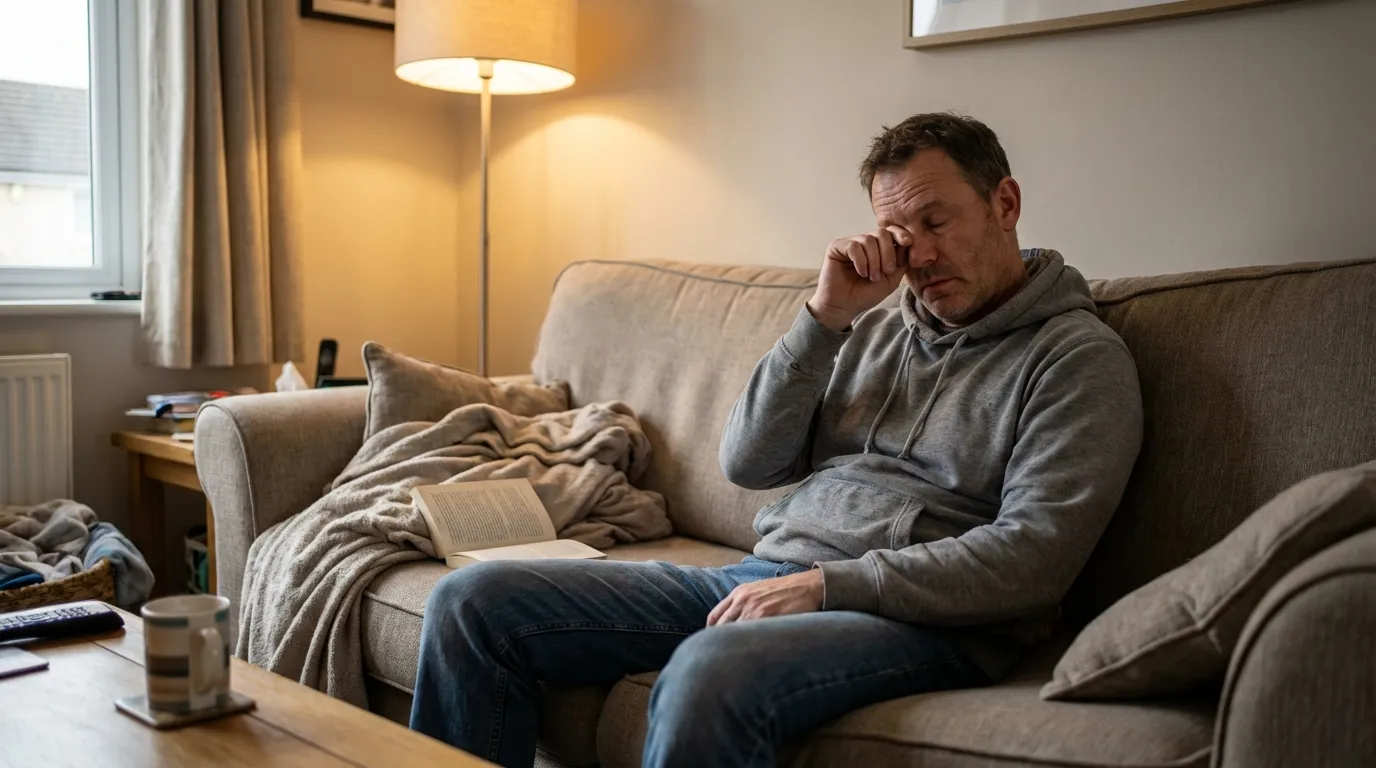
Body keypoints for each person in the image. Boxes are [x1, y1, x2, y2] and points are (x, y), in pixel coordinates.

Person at [409, 113, 1144, 768]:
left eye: (936, 221)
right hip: (766, 578)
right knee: (474, 602)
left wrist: (825, 586)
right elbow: (749, 462)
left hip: (920, 619)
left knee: (711, 670)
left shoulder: (1075, 358)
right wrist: (824, 320)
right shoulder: (874, 332)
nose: (917, 257)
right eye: (899, 234)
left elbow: (1035, 557)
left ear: (1005, 204)